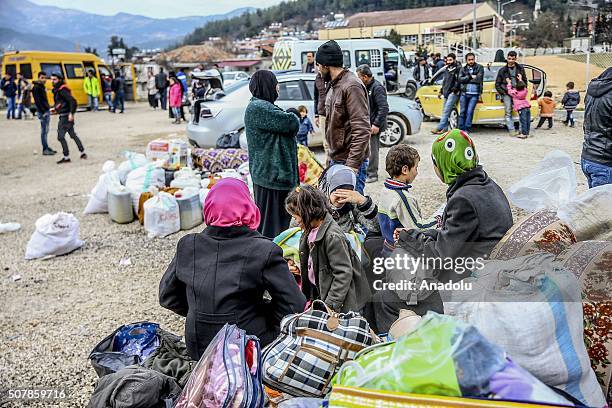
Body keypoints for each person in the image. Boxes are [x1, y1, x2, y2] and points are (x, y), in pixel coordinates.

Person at [373, 130, 513, 332]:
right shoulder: (485, 184)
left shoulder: (463, 199)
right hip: (479, 262)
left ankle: (397, 351)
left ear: (445, 163)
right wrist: (419, 235)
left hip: (469, 277)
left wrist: (409, 239)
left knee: (384, 299)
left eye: (435, 163)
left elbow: (439, 258)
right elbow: (455, 235)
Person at [159, 178, 306, 360]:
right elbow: (294, 303)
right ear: (248, 207)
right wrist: (267, 317)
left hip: (198, 346)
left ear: (209, 208)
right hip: (245, 346)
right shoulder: (264, 251)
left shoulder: (189, 244)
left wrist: (202, 311)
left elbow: (167, 296)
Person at [285, 185, 371, 313]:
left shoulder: (332, 237)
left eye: (296, 216)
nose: (295, 220)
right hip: (321, 293)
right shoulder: (310, 230)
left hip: (343, 304)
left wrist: (329, 306)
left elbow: (343, 274)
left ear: (307, 213)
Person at [245, 70, 300, 239]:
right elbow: (291, 122)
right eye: (276, 85)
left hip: (273, 177)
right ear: (268, 86)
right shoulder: (258, 107)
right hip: (270, 178)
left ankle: (272, 256)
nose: (278, 89)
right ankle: (268, 258)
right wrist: (294, 114)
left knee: (278, 224)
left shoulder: (263, 106)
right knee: (271, 226)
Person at [316, 40, 371, 195]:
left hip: (349, 161)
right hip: (337, 158)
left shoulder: (351, 86)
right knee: (338, 211)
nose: (318, 70)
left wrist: (352, 165)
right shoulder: (334, 85)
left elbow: (362, 129)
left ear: (326, 65)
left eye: (319, 66)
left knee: (352, 211)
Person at [377, 144, 438, 255]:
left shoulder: (385, 190)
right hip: (401, 253)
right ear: (405, 169)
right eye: (416, 168)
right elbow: (418, 226)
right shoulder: (402, 197)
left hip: (387, 247)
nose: (417, 172)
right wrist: (438, 220)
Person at [356, 65, 389, 184]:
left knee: (372, 150)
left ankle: (373, 174)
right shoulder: (366, 86)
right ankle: (366, 171)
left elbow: (383, 107)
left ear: (365, 77)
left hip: (374, 125)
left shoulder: (377, 87)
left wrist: (376, 124)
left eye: (359, 76)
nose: (357, 79)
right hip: (367, 124)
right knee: (367, 149)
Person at [581, 67, 612, 188]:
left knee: (596, 205)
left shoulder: (592, 90)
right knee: (604, 206)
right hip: (605, 162)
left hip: (588, 156)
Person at [51, 72, 87, 164]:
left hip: (65, 117)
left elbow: (72, 101)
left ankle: (66, 156)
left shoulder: (62, 90)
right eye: (51, 79)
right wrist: (56, 109)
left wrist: (71, 113)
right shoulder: (60, 89)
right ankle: (82, 152)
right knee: (72, 135)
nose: (52, 81)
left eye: (54, 79)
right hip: (65, 115)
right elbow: (64, 103)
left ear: (59, 79)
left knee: (60, 137)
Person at [495, 50, 527, 135]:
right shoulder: (502, 70)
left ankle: (522, 130)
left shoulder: (520, 68)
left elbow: (525, 80)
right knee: (508, 111)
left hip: (518, 93)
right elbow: (497, 84)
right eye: (509, 59)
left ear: (516, 58)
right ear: (507, 58)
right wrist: (503, 93)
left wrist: (523, 91)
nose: (511, 60)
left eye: (513, 59)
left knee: (521, 111)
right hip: (507, 93)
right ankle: (512, 130)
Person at [431, 53, 460, 135]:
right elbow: (445, 82)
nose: (449, 61)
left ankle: (439, 127)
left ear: (454, 59)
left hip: (453, 93)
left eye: (450, 60)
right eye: (447, 60)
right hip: (446, 92)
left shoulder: (458, 69)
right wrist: (441, 91)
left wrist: (454, 90)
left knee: (446, 111)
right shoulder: (447, 69)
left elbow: (458, 81)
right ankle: (444, 129)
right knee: (444, 110)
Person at [457, 53, 484, 132]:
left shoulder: (479, 67)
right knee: (462, 112)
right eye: (469, 60)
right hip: (464, 93)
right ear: (466, 60)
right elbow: (460, 79)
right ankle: (461, 129)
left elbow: (479, 79)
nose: (471, 61)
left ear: (474, 59)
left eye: (472, 59)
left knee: (469, 112)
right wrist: (470, 76)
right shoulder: (463, 69)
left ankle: (467, 128)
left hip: (474, 94)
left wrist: (467, 79)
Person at [31, 71, 56, 156]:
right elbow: (37, 101)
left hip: (46, 110)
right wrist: (43, 111)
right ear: (38, 78)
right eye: (42, 78)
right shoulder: (36, 87)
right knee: (44, 131)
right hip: (43, 112)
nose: (44, 79)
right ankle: (45, 149)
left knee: (46, 130)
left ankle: (46, 147)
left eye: (45, 78)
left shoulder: (41, 86)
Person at [313, 70, 330, 164]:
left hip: (333, 114)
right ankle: (328, 166)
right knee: (326, 143)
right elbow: (316, 97)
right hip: (322, 114)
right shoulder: (317, 78)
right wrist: (316, 115)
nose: (319, 68)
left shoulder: (331, 76)